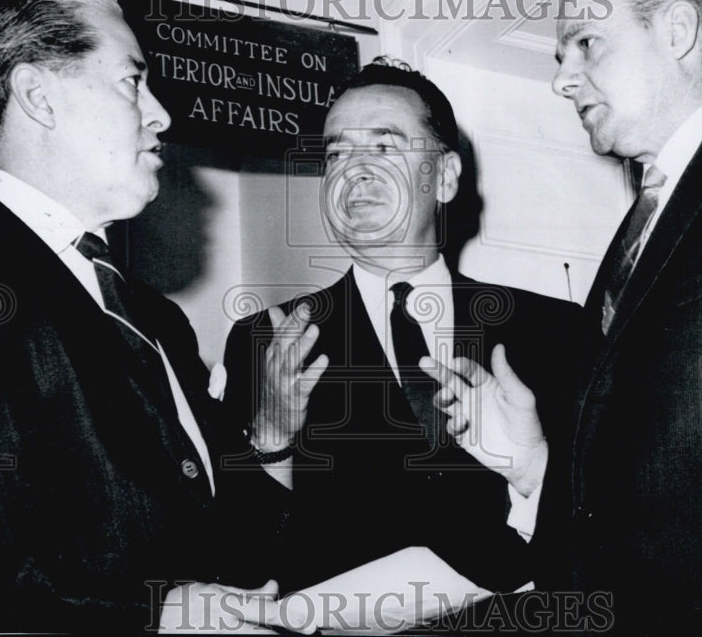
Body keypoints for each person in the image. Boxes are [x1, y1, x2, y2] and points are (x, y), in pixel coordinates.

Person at [0, 0, 321, 633]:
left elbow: (238, 552)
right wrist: (158, 615)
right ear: (39, 97)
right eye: (131, 82)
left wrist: (273, 434)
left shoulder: (158, 321)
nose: (161, 115)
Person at [429, 0, 702, 634]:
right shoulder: (637, 229)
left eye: (586, 44)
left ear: (677, 32)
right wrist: (536, 468)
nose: (564, 79)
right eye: (560, 58)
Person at [222, 58, 584, 594]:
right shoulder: (267, 342)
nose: (354, 170)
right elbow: (241, 565)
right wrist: (272, 440)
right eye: (337, 152)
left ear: (445, 177)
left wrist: (532, 475)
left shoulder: (555, 331)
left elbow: (616, 531)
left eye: (385, 147)